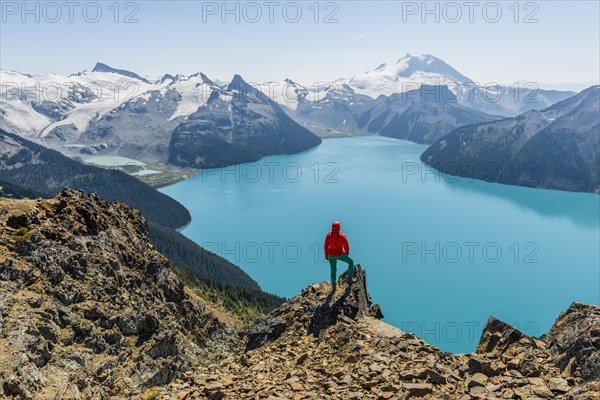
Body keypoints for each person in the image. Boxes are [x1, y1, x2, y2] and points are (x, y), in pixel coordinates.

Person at [324, 221, 354, 289]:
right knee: (351, 262)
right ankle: (349, 279)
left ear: (332, 227)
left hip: (330, 255)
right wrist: (347, 253)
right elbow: (346, 246)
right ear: (339, 227)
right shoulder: (342, 236)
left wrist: (326, 255)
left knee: (333, 269)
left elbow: (325, 246)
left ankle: (333, 285)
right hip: (340, 254)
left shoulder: (329, 235)